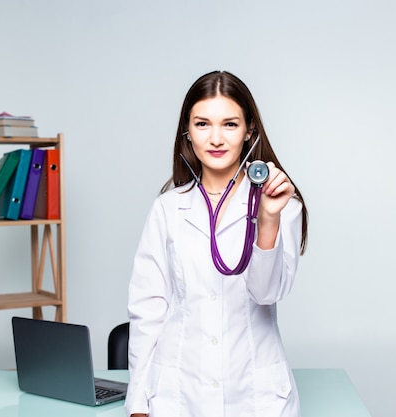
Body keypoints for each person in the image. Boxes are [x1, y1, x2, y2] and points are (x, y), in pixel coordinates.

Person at [125, 70, 308, 417]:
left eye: (230, 124)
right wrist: (137, 403)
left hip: (256, 395)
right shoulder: (168, 208)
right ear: (188, 133)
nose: (216, 138)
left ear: (249, 130)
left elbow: (265, 293)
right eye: (202, 124)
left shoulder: (283, 204)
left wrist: (267, 218)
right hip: (177, 394)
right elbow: (148, 309)